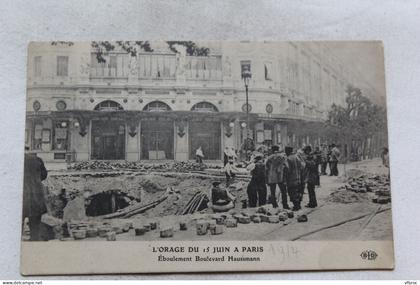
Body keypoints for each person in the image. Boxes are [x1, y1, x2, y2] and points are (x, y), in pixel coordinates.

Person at [22, 149, 48, 241]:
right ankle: (34, 241)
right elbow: (44, 175)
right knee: (35, 224)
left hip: (20, 195)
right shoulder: (37, 160)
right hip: (35, 194)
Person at [285, 146, 304, 211]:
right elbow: (302, 166)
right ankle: (298, 205)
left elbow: (287, 170)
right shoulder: (296, 157)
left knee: (292, 192)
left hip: (291, 179)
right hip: (298, 177)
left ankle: (296, 206)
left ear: (287, 151)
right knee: (298, 192)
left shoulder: (288, 159)